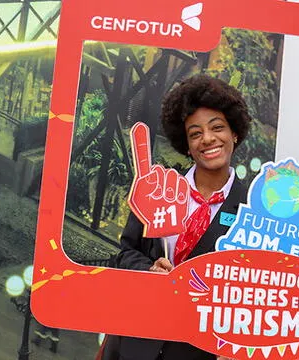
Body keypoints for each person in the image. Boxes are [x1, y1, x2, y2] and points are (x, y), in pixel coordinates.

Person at [99, 74, 251, 360]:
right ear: (186, 143)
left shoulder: (252, 212)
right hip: (136, 344)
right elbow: (125, 253)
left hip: (198, 351)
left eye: (217, 128)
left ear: (235, 133)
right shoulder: (158, 191)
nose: (207, 139)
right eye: (195, 133)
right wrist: (148, 270)